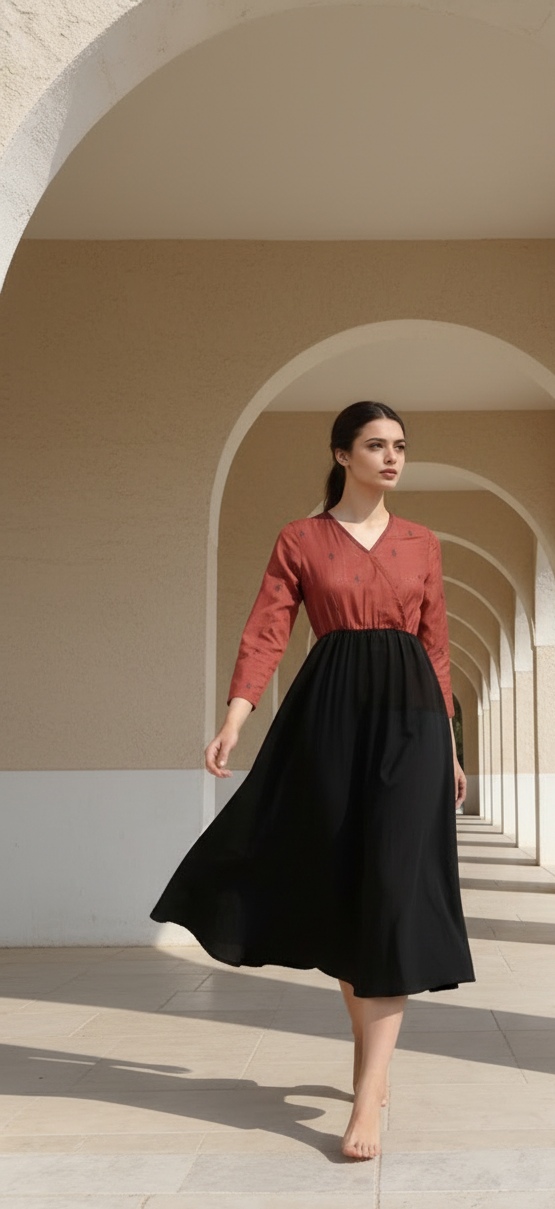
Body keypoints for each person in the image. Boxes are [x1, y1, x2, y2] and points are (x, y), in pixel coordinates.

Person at [150, 400, 475, 1160]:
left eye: (400, 446)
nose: (392, 457)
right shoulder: (301, 539)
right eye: (375, 444)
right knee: (342, 890)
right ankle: (372, 1059)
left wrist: (452, 749)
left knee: (393, 890)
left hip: (413, 723)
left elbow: (437, 645)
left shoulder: (422, 543)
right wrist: (236, 716)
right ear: (341, 454)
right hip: (328, 715)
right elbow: (267, 628)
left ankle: (367, 1096)